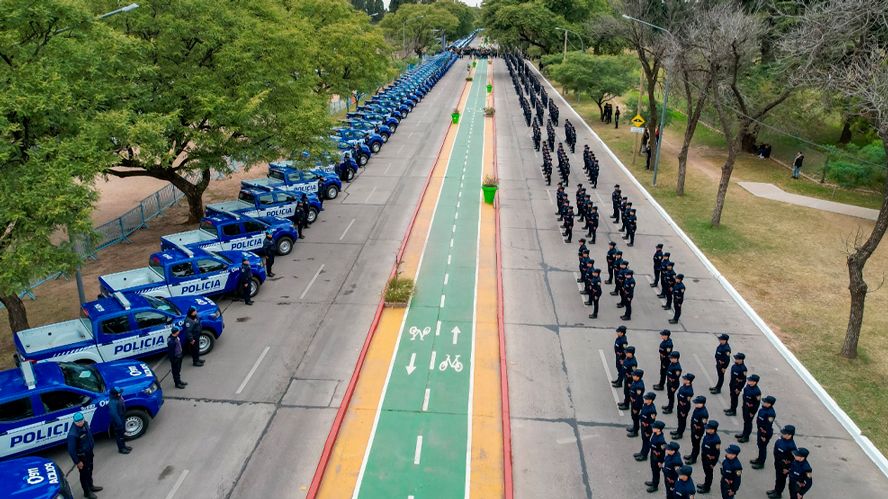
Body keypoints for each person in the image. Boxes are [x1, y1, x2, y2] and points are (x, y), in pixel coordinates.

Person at [67, 412, 102, 499]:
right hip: (82, 457)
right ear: (74, 422)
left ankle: (91, 486)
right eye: (78, 422)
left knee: (90, 470)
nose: (80, 423)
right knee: (84, 474)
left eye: (81, 420)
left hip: (89, 453)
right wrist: (78, 462)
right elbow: (71, 450)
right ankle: (87, 492)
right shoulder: (73, 434)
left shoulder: (85, 424)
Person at [766, 425, 797, 498]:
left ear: (790, 435)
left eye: (785, 433)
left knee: (781, 479)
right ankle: (776, 489)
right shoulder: (781, 439)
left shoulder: (792, 446)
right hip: (778, 463)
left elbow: (793, 460)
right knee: (778, 478)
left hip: (784, 467)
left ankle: (778, 493)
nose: (783, 434)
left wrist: (787, 469)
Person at [750, 396, 777, 469]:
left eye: (765, 402)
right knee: (760, 445)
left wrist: (764, 436)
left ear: (769, 404)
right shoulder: (763, 409)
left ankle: (761, 463)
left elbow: (768, 426)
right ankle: (759, 459)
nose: (764, 402)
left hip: (765, 433)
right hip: (760, 430)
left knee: (762, 448)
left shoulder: (770, 414)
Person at [735, 374, 762, 442]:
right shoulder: (747, 386)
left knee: (748, 422)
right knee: (745, 421)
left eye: (750, 380)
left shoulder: (757, 391)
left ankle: (746, 437)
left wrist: (752, 412)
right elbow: (744, 396)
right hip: (745, 406)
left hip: (751, 409)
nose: (748, 381)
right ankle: (744, 433)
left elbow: (757, 404)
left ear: (755, 382)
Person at [697, 420, 721, 494]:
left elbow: (717, 453)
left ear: (713, 430)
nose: (706, 429)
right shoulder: (708, 434)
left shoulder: (716, 440)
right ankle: (705, 484)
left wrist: (713, 464)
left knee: (709, 474)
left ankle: (707, 488)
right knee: (706, 472)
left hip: (710, 460)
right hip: (705, 456)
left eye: (708, 429)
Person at [684, 396, 709, 464]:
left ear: (702, 404)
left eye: (697, 403)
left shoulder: (704, 413)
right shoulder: (697, 409)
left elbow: (702, 426)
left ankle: (694, 458)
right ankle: (692, 455)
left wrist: (698, 434)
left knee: (696, 445)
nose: (695, 404)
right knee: (694, 444)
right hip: (694, 429)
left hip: (698, 432)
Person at [108, 387, 132, 454]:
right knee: (119, 436)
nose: (121, 394)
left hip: (121, 418)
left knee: (122, 434)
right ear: (115, 394)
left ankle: (124, 446)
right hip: (118, 421)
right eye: (119, 393)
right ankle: (121, 449)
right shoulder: (112, 402)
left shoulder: (118, 398)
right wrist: (119, 423)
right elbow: (114, 414)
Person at [671, 373, 695, 438]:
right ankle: (678, 430)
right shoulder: (684, 386)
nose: (683, 380)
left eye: (685, 379)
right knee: (679, 419)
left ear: (688, 381)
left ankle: (680, 433)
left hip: (684, 407)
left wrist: (684, 411)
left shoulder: (689, 391)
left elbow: (687, 402)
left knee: (682, 420)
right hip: (680, 405)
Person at [635, 392, 658, 458]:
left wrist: (648, 431)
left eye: (646, 399)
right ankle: (642, 452)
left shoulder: (652, 410)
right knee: (644, 440)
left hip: (647, 428)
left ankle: (644, 455)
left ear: (650, 400)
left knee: (646, 441)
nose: (645, 399)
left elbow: (652, 422)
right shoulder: (645, 405)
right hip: (643, 426)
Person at [645, 420, 667, 492]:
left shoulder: (661, 440)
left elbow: (662, 452)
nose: (652, 428)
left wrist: (660, 462)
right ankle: (653, 481)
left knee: (656, 472)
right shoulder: (655, 434)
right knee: (653, 470)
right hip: (653, 455)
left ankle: (655, 486)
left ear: (658, 429)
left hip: (657, 459)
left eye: (654, 427)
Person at [626, 369, 646, 437]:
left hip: (636, 404)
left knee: (635, 417)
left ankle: (635, 431)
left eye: (634, 375)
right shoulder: (635, 382)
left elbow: (638, 398)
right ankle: (634, 427)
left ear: (638, 377)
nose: (632, 376)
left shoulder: (639, 386)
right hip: (633, 402)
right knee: (633, 417)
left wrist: (635, 407)